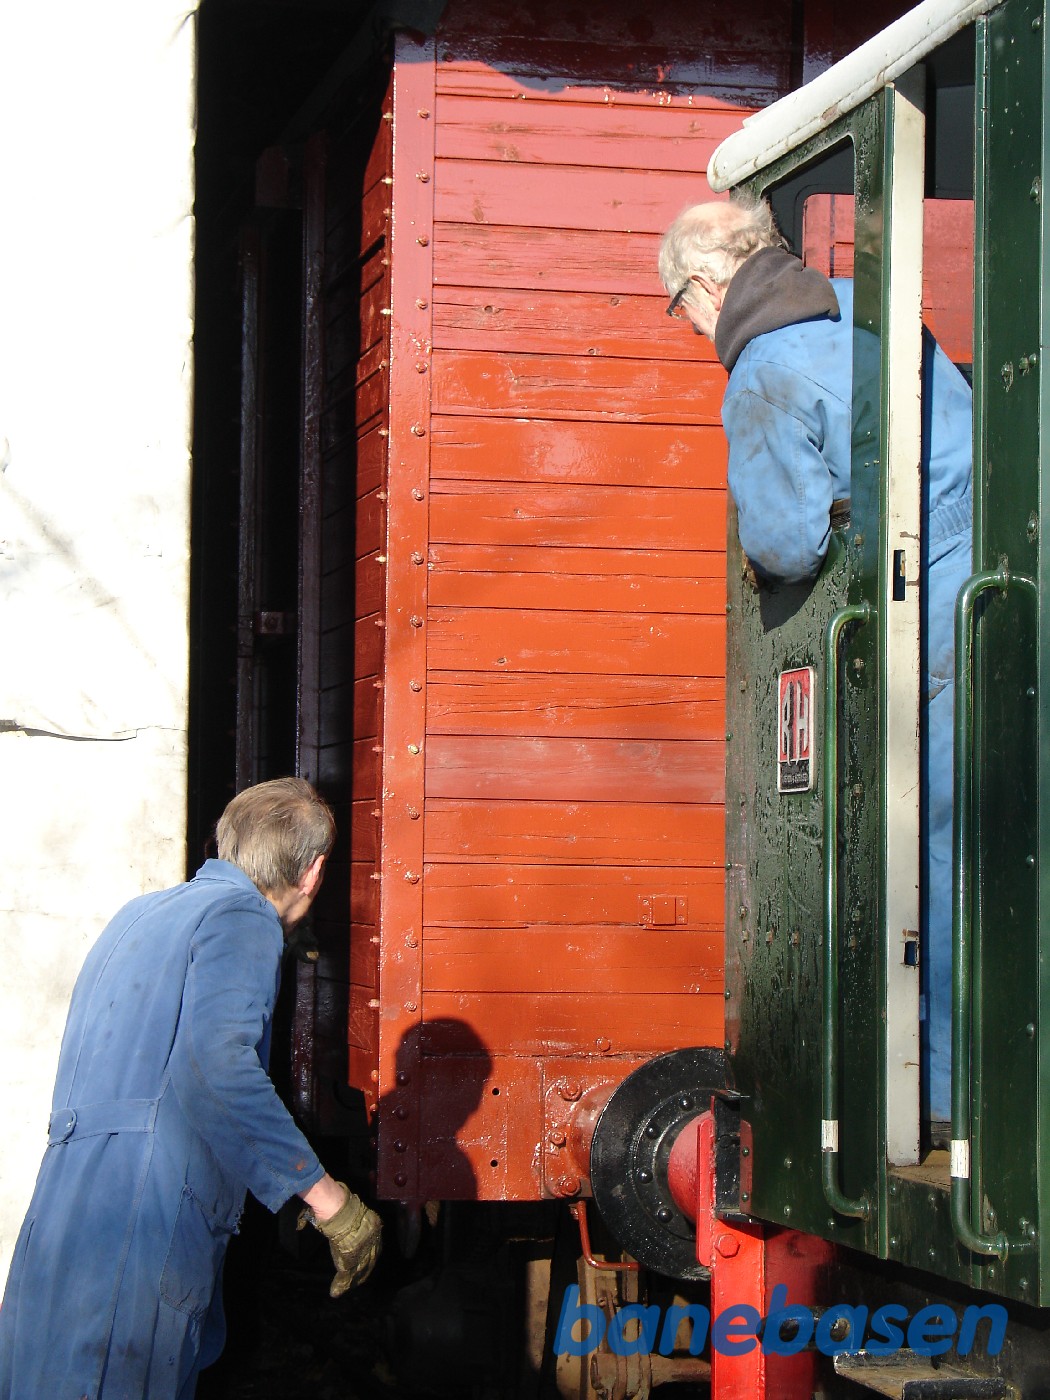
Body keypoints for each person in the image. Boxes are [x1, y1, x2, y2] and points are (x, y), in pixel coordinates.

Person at [659, 197, 973, 1141]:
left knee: (927, 860)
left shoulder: (760, 373)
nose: (687, 325)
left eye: (678, 305)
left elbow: (789, 543)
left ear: (708, 285)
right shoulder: (864, 308)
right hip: (994, 585)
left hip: (925, 620)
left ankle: (947, 1104)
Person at [0, 776, 382, 1400]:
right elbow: (217, 1067)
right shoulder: (245, 919)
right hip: (141, 1228)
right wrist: (325, 1196)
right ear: (312, 873)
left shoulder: (138, 915)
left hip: (62, 1223)